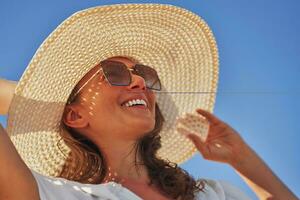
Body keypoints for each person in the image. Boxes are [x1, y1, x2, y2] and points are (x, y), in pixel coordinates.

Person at [0, 3, 297, 200]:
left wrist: (242, 158)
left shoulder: (212, 194)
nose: (140, 81)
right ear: (75, 117)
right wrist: (44, 100)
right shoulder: (59, 194)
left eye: (143, 73)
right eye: (115, 73)